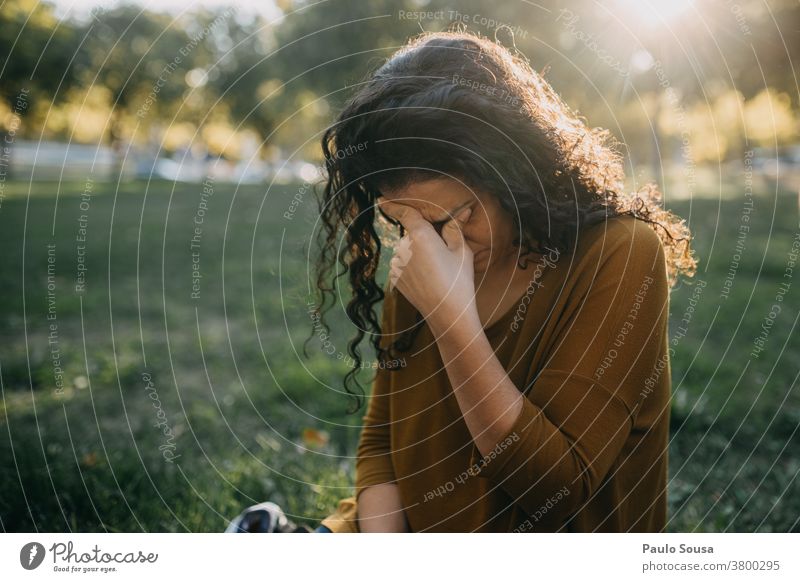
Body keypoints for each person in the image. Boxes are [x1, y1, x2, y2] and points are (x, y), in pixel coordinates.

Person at [309, 29, 696, 533]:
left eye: (460, 216)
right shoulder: (421, 256)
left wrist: (452, 322)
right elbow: (381, 442)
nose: (434, 247)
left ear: (513, 170)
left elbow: (559, 489)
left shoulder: (618, 252)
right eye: (407, 225)